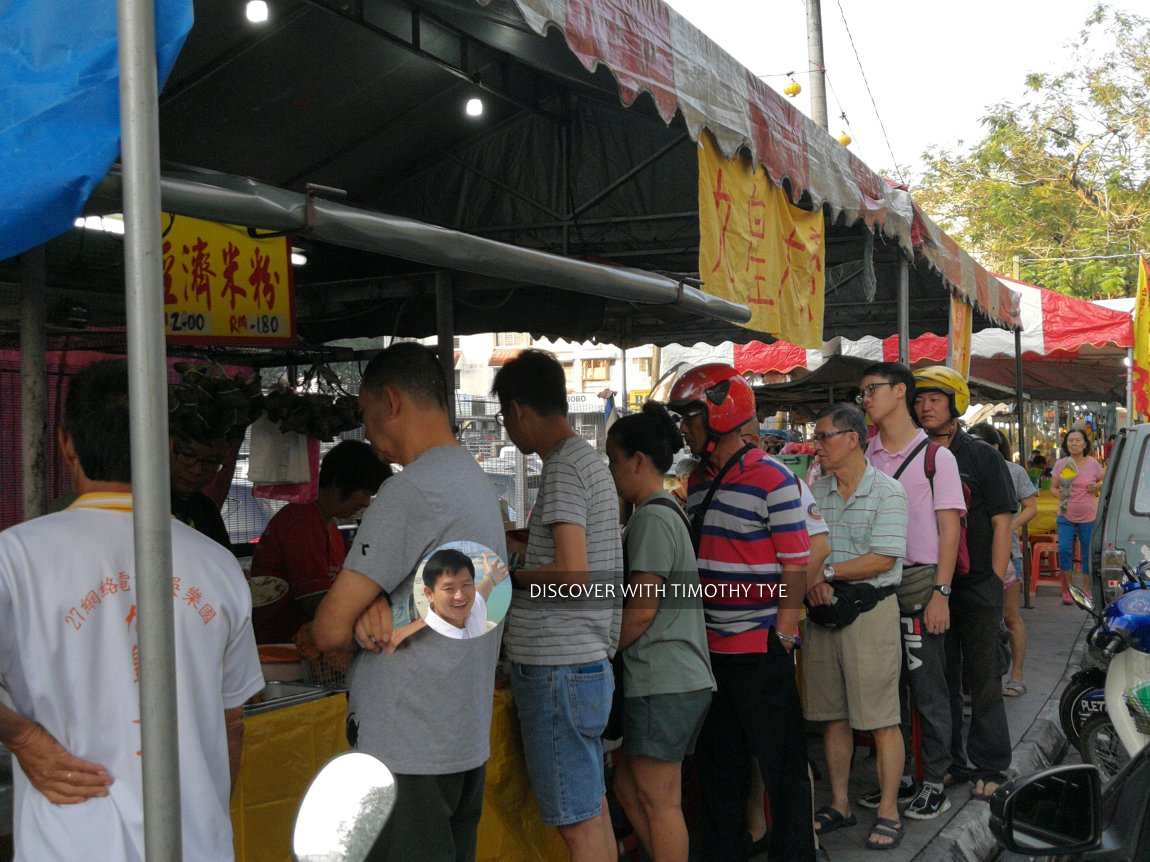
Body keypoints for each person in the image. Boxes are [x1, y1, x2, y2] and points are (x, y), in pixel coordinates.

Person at [0, 359, 264, 861]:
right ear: (164, 444)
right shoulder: (216, 566)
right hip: (193, 846)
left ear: (66, 444)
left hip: (69, 847)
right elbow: (233, 723)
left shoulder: (15, 557)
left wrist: (26, 740)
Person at [312, 343, 507, 862]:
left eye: (365, 413)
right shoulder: (476, 484)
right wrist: (383, 602)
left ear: (390, 402)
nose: (367, 432)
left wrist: (361, 616)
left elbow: (328, 628)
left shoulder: (409, 492)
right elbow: (482, 594)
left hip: (406, 749)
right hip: (460, 741)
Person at [667, 363, 814, 862]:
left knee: (783, 771)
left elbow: (797, 562)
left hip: (759, 650)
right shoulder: (699, 482)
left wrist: (784, 635)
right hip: (711, 655)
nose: (684, 428)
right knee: (719, 773)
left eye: (690, 417)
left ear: (720, 415)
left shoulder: (773, 477)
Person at [491, 349, 624, 862]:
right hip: (581, 664)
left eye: (505, 416)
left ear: (520, 409)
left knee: (577, 823)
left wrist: (512, 575)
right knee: (591, 812)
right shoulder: (588, 462)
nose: (507, 429)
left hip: (558, 668)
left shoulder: (566, 468)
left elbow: (572, 573)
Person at [606, 404, 716, 862]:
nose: (610, 471)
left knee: (660, 801)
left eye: (613, 460)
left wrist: (600, 648)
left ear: (638, 461)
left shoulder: (651, 517)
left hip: (662, 680)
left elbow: (641, 610)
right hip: (675, 679)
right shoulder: (664, 510)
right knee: (629, 787)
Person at [857, 362, 964, 820]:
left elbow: (950, 528)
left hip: (921, 585)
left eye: (871, 390)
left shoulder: (937, 458)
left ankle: (935, 778)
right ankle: (898, 777)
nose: (865, 399)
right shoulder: (866, 452)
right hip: (878, 585)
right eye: (861, 393)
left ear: (900, 392)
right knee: (887, 687)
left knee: (928, 687)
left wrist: (942, 592)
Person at [805, 403, 908, 851]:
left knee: (882, 718)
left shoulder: (888, 492)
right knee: (832, 715)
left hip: (870, 612)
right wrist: (812, 582)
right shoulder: (814, 491)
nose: (817, 445)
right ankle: (841, 802)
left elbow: (883, 558)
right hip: (824, 613)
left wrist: (825, 576)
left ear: (852, 438)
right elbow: (805, 547)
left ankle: (888, 809)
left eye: (824, 436)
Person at [913, 366, 1016, 800]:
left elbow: (1002, 521)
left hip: (976, 586)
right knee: (943, 679)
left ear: (954, 404)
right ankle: (952, 762)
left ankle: (992, 764)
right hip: (931, 585)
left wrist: (993, 582)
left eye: (935, 399)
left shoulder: (981, 456)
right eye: (919, 400)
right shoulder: (913, 454)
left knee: (983, 676)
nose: (925, 406)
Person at [250, 440, 390, 642]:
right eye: (365, 492)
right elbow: (314, 602)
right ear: (339, 481)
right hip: (281, 647)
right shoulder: (301, 521)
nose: (365, 503)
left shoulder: (329, 526)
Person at [968, 423, 1037, 696]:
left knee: (1009, 617)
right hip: (973, 557)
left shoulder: (1013, 470)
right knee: (979, 621)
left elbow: (1031, 507)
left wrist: (1008, 526)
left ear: (995, 447)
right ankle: (979, 683)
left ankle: (1016, 676)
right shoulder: (960, 466)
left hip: (1009, 556)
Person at [1051, 428, 1105, 604]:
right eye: (1070, 440)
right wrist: (1057, 494)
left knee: (1087, 553)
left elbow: (1105, 481)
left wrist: (1096, 487)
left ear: (1084, 444)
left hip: (1089, 515)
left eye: (1077, 440)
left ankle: (1087, 590)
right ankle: (1068, 590)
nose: (1073, 443)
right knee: (1065, 550)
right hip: (1065, 514)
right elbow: (1053, 486)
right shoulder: (1062, 464)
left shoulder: (1093, 464)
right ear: (1066, 444)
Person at [168, 426, 233, 548]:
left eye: (212, 462)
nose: (197, 470)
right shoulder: (146, 504)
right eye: (188, 456)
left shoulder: (206, 508)